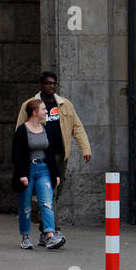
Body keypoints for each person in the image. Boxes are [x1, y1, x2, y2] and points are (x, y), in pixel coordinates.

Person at [16, 71, 91, 226]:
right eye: (48, 83)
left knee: (56, 193)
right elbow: (20, 130)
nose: (51, 86)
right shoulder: (29, 105)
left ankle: (45, 224)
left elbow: (77, 127)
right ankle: (52, 229)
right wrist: (21, 156)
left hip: (60, 154)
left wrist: (85, 149)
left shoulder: (65, 104)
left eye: (53, 84)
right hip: (40, 156)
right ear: (40, 85)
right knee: (50, 192)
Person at [12, 97, 65, 250]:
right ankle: (25, 236)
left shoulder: (45, 129)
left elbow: (50, 154)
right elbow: (16, 154)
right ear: (34, 112)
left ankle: (49, 235)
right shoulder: (22, 130)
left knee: (47, 203)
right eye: (43, 109)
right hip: (28, 169)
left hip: (44, 170)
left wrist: (55, 174)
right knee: (26, 205)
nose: (46, 112)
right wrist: (22, 174)